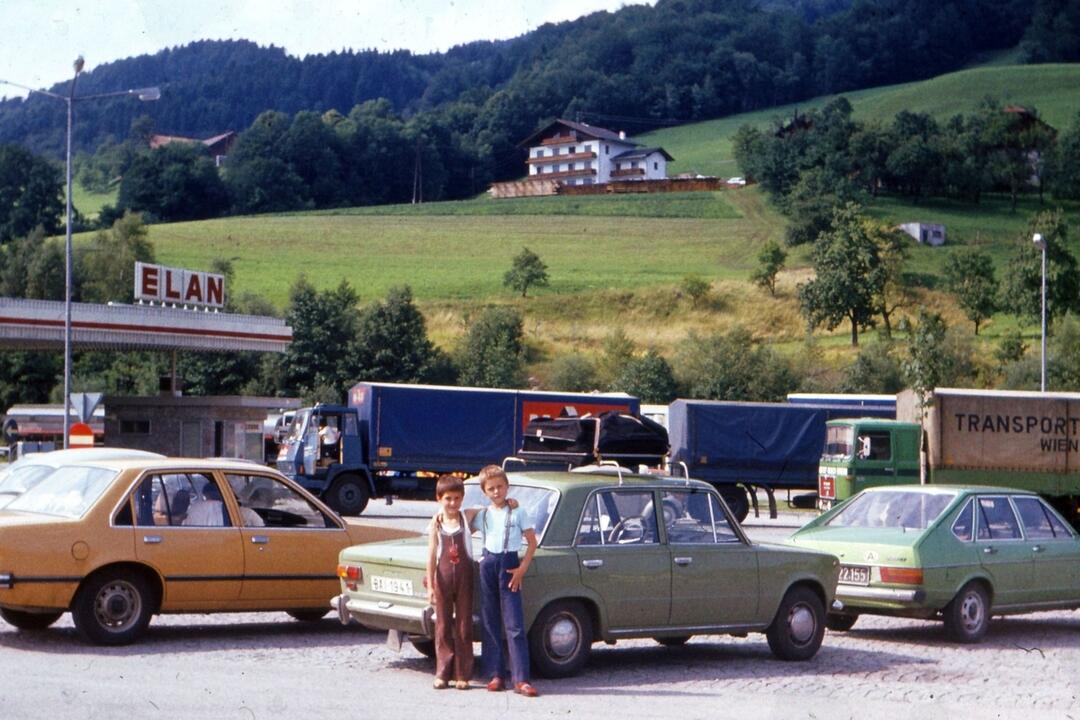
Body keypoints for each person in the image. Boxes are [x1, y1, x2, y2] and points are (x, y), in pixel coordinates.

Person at [471, 465, 539, 698]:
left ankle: (521, 679)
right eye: (491, 488)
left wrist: (521, 569)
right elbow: (461, 518)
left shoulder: (518, 512)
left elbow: (532, 542)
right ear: (484, 491)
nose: (497, 491)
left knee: (514, 624)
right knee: (490, 621)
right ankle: (495, 674)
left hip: (510, 566)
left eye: (500, 487)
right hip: (488, 564)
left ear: (507, 487)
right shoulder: (483, 515)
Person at [426, 475, 474, 690]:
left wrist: (512, 502)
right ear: (439, 498)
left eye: (457, 498)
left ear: (462, 499)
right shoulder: (436, 523)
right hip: (443, 577)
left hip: (465, 577)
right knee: (443, 625)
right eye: (448, 499)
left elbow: (486, 508)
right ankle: (442, 673)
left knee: (464, 626)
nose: (453, 503)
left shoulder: (466, 517)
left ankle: (462, 674)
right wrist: (430, 586)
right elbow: (431, 554)